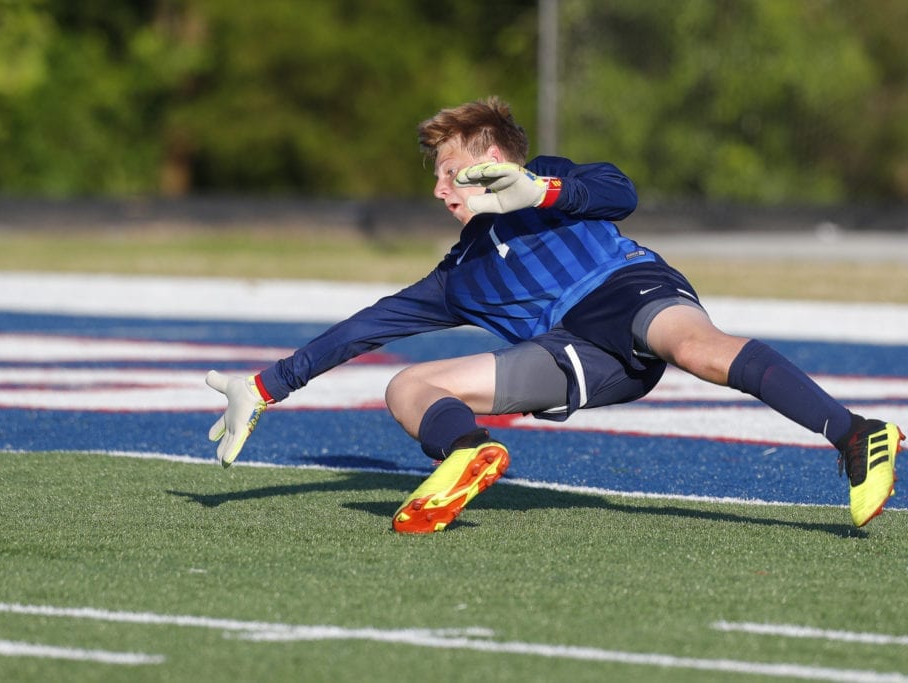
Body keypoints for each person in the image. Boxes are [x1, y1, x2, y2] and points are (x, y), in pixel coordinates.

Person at [205, 96, 903, 534]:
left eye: (451, 171)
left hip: (627, 291)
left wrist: (538, 188)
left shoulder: (550, 181)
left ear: (493, 160)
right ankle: (465, 451)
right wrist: (267, 385)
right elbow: (365, 327)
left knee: (695, 347)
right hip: (575, 353)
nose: (440, 188)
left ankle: (856, 434)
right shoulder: (459, 274)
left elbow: (619, 189)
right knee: (406, 386)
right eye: (436, 177)